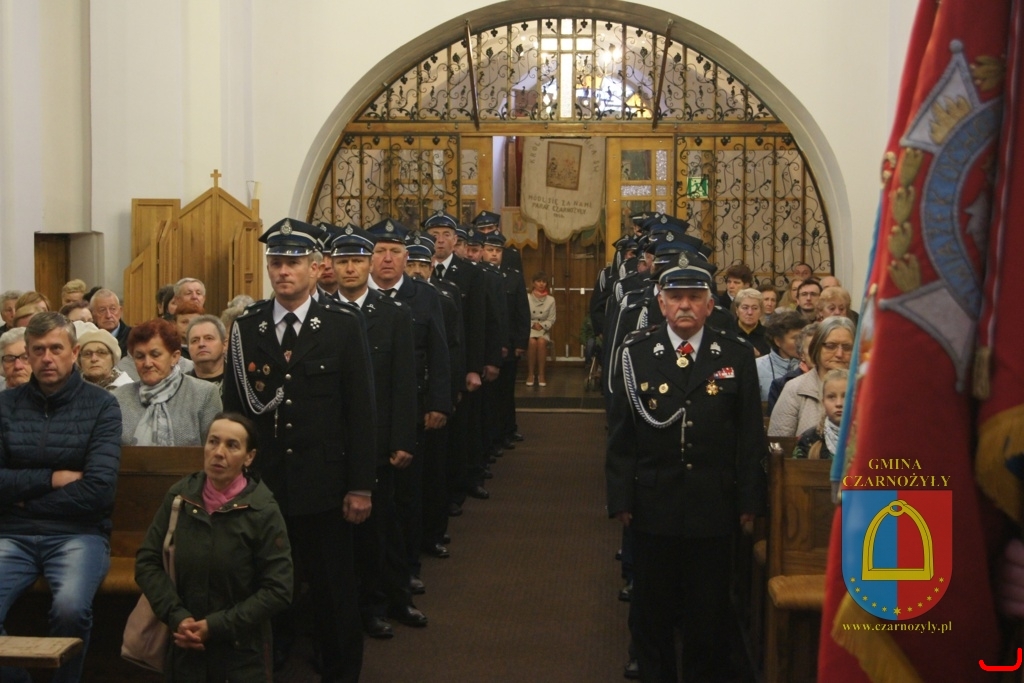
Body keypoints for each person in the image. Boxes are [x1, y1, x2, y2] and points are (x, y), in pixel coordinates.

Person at [221, 218, 377, 682]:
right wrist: (233, 481)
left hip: (324, 484)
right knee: (267, 584)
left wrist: (360, 487)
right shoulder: (247, 327)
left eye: (292, 263)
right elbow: (235, 411)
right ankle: (269, 665)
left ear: (316, 267)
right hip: (265, 484)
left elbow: (361, 412)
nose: (283, 271)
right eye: (276, 262)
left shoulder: (342, 324)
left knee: (332, 589)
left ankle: (341, 671)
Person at [606, 258, 766, 683]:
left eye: (694, 298)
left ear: (710, 305)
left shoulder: (734, 353)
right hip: (653, 499)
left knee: (708, 607)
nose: (684, 306)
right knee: (652, 605)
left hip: (714, 501)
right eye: (675, 297)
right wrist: (620, 497)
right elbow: (622, 435)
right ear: (661, 303)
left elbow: (749, 434)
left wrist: (750, 499)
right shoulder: (637, 353)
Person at [0, 312, 122, 682]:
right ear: (27, 355)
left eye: (56, 348)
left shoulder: (102, 406)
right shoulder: (5, 405)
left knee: (70, 609)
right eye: (38, 350)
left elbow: (98, 489)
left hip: (77, 533)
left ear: (74, 352)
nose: (47, 358)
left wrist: (23, 499)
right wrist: (51, 478)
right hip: (12, 534)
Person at [135, 413, 293, 681]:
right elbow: (147, 562)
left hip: (240, 655)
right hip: (184, 649)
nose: (219, 452)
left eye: (232, 445)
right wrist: (177, 617)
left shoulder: (263, 510)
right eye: (213, 442)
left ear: (249, 457)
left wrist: (215, 626)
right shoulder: (180, 497)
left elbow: (278, 589)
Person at [333, 224, 422, 638]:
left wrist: (403, 438)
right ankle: (346, 607)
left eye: (356, 261)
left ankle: (386, 601)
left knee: (381, 528)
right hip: (334, 443)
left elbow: (403, 382)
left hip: (379, 440)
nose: (350, 268)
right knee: (339, 535)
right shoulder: (322, 313)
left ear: (368, 265)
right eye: (342, 261)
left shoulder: (392, 314)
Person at [113, 318, 221, 446]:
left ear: (175, 357)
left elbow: (214, 449)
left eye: (155, 355)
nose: (147, 363)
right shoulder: (118, 398)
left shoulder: (204, 395)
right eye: (140, 356)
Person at [768, 315, 855, 437]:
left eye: (847, 347)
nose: (839, 354)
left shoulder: (867, 389)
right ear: (816, 348)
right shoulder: (794, 388)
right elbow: (780, 442)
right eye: (831, 346)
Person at [792, 368, 847, 460]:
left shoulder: (869, 439)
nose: (839, 403)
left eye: (846, 396)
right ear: (823, 402)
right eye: (831, 397)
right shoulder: (809, 439)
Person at [756, 310, 805, 402]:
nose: (801, 342)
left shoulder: (811, 366)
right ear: (778, 341)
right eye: (795, 338)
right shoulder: (756, 368)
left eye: (803, 337)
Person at [76, 321, 134, 390]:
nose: (94, 359)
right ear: (79, 361)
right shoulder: (70, 389)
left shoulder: (129, 390)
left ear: (113, 359)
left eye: (101, 353)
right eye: (87, 354)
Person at [526, 272, 555, 387]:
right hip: (529, 329)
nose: (541, 284)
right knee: (532, 342)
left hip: (543, 330)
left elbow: (552, 319)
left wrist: (542, 325)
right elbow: (522, 316)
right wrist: (532, 325)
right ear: (533, 283)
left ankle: (541, 375)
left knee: (542, 342)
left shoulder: (551, 300)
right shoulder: (527, 298)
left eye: (544, 281)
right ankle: (530, 374)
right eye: (538, 281)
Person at [186, 315, 227, 385]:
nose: (201, 344)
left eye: (209, 338)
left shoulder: (241, 381)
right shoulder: (180, 386)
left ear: (224, 345)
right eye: (195, 340)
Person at [90, 288, 132, 357]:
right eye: (102, 310)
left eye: (113, 309)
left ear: (120, 311)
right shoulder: (88, 338)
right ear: (92, 314)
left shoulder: (133, 337)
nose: (108, 315)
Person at [730, 287, 770, 357]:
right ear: (737, 310)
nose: (750, 312)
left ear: (761, 311)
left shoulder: (769, 336)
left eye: (755, 308)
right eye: (745, 308)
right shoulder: (727, 333)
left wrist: (759, 357)